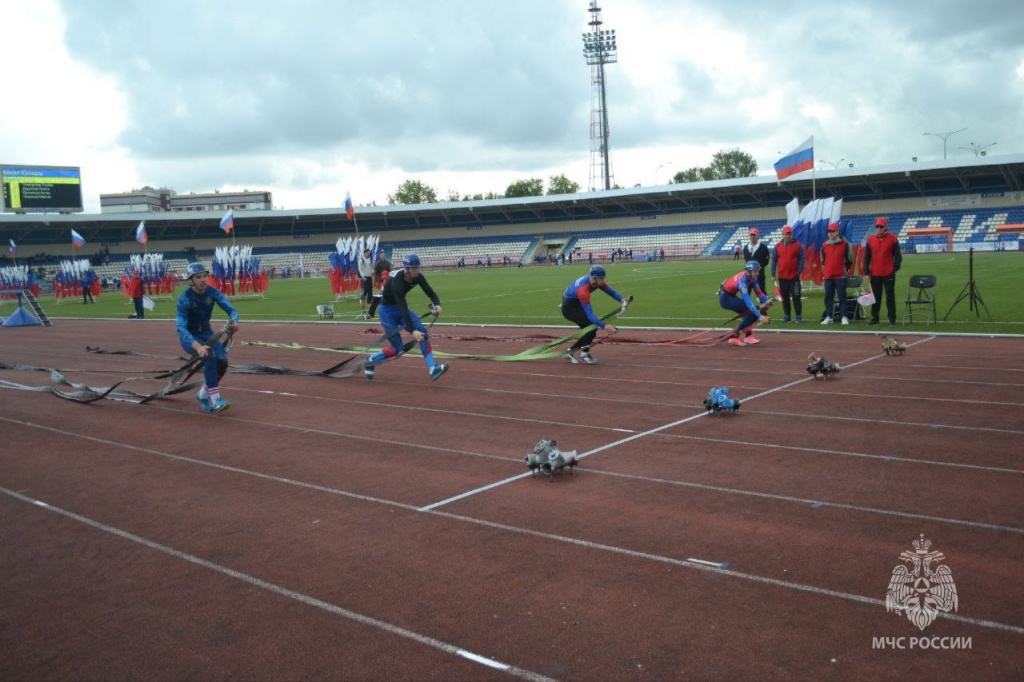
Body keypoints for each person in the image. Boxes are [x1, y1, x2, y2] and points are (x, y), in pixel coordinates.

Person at [364, 253, 448, 381]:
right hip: (387, 312)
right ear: (406, 269)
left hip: (399, 309)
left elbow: (431, 293)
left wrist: (438, 305)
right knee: (397, 348)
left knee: (423, 333)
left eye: (417, 267)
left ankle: (433, 368)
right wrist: (413, 330)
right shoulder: (396, 281)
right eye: (413, 268)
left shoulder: (418, 277)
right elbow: (402, 306)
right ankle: (371, 359)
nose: (416, 270)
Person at [176, 262, 239, 413]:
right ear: (191, 279)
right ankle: (216, 399)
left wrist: (234, 320)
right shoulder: (184, 298)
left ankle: (203, 395)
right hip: (190, 337)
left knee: (222, 362)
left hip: (207, 333)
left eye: (205, 276)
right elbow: (181, 327)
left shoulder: (212, 292)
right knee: (210, 357)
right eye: (198, 277)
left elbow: (231, 309)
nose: (203, 280)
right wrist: (198, 347)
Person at [560, 265, 628, 364]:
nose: (603, 281)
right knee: (591, 328)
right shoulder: (583, 291)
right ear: (595, 278)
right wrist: (604, 326)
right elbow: (589, 314)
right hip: (569, 309)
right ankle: (577, 353)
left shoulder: (594, 280)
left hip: (576, 303)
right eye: (602, 278)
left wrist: (622, 299)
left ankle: (579, 353)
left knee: (591, 329)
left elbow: (611, 292)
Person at [719, 261, 771, 346]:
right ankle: (734, 337)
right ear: (749, 271)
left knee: (751, 313)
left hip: (731, 295)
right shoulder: (742, 282)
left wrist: (768, 300)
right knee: (751, 312)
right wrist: (760, 316)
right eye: (755, 271)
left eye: (758, 271)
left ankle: (748, 336)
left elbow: (759, 294)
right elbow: (748, 302)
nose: (757, 273)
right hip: (726, 299)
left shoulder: (753, 278)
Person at [864, 216, 902, 326]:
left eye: (881, 226)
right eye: (877, 226)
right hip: (874, 273)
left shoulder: (893, 238)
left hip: (888, 273)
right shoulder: (870, 239)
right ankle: (875, 318)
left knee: (890, 296)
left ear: (885, 227)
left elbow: (897, 256)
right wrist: (866, 272)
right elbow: (866, 258)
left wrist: (894, 268)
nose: (879, 228)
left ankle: (892, 320)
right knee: (875, 297)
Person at [820, 223, 854, 325]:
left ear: (837, 232)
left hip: (840, 275)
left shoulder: (845, 244)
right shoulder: (825, 245)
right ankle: (829, 316)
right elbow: (822, 259)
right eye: (829, 231)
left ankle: (844, 317)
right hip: (828, 276)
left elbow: (850, 258)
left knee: (842, 297)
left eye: (832, 231)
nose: (830, 233)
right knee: (828, 297)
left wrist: (845, 269)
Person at [771, 225, 804, 323]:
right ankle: (787, 315)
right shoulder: (777, 246)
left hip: (794, 277)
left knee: (796, 296)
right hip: (782, 277)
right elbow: (774, 261)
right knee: (785, 297)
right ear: (783, 235)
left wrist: (798, 272)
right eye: (786, 234)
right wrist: (773, 274)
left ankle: (798, 316)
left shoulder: (798, 245)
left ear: (792, 234)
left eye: (789, 234)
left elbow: (802, 259)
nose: (788, 236)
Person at [357, 247, 373, 319]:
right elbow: (360, 269)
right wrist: (362, 276)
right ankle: (361, 300)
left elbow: (370, 267)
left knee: (370, 292)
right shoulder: (361, 260)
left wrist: (372, 273)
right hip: (365, 277)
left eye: (369, 253)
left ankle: (370, 308)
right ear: (364, 253)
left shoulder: (369, 259)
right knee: (366, 290)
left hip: (369, 277)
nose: (368, 254)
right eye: (367, 253)